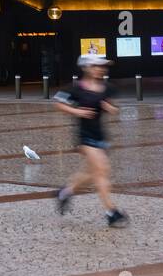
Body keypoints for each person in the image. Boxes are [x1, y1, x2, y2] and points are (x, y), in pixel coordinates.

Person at [53, 55, 128, 228]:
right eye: (96, 66)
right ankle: (111, 212)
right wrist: (77, 112)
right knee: (102, 170)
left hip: (101, 136)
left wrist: (111, 109)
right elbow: (58, 102)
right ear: (86, 68)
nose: (101, 69)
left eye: (103, 66)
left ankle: (64, 192)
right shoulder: (77, 89)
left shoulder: (107, 88)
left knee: (91, 174)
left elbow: (115, 109)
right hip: (84, 137)